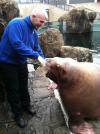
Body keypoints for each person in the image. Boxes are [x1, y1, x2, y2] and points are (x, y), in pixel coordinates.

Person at [0, 9, 47, 128]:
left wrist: (43, 60)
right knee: (13, 89)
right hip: (7, 63)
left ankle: (26, 106)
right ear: (33, 16)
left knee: (23, 85)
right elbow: (17, 44)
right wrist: (36, 56)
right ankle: (17, 114)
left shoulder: (34, 32)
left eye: (44, 23)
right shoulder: (16, 24)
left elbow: (37, 48)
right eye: (41, 22)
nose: (42, 24)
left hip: (20, 62)